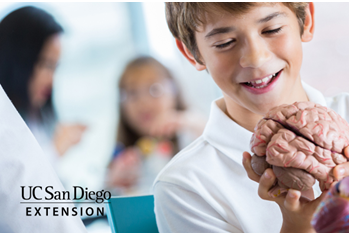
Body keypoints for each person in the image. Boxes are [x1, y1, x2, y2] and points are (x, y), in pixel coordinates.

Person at [153, 3, 349, 233]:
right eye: (224, 43)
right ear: (191, 52)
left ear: (305, 20)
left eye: (272, 29)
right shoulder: (186, 186)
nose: (255, 58)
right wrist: (297, 228)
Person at [105, 56, 206, 195]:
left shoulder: (189, 135)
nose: (144, 102)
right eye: (132, 94)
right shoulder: (122, 158)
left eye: (154, 90)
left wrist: (186, 121)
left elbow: (210, 133)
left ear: (174, 91)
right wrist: (112, 185)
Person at [0, 6, 86, 165]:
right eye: (46, 65)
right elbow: (19, 184)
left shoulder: (37, 118)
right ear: (17, 59)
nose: (51, 80)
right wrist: (55, 150)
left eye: (55, 67)